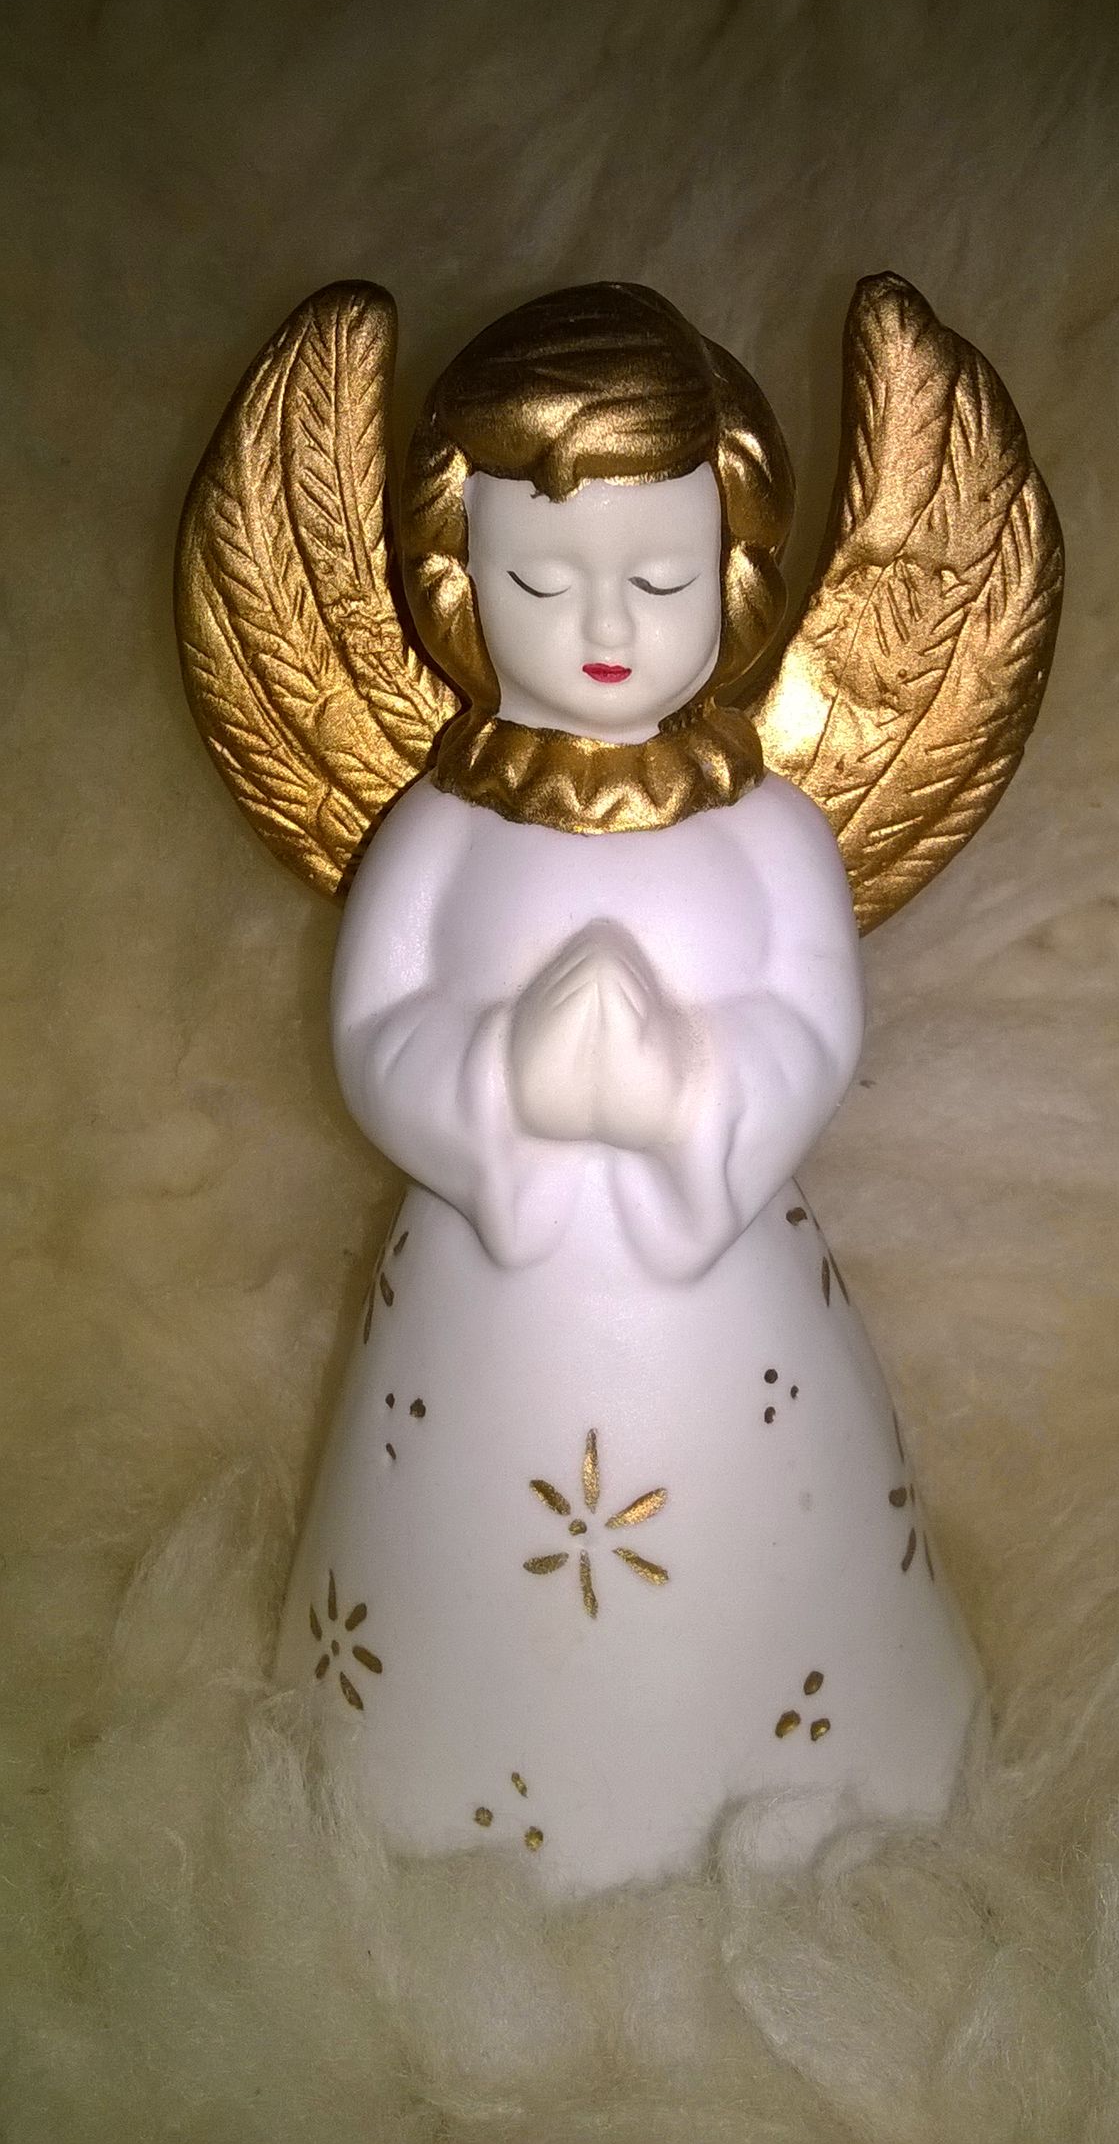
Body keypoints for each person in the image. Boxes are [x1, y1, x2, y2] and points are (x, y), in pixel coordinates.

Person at [275, 284, 980, 1890]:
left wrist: (685, 1089)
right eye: (541, 576)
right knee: (458, 1566)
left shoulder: (768, 833)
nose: (604, 622)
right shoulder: (437, 833)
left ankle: (820, 1753)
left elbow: (812, 1020)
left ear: (731, 572)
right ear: (456, 579)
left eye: (657, 577)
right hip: (489, 1290)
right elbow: (376, 1032)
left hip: (718, 1286)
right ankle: (425, 1768)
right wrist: (498, 1074)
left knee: (764, 1545)